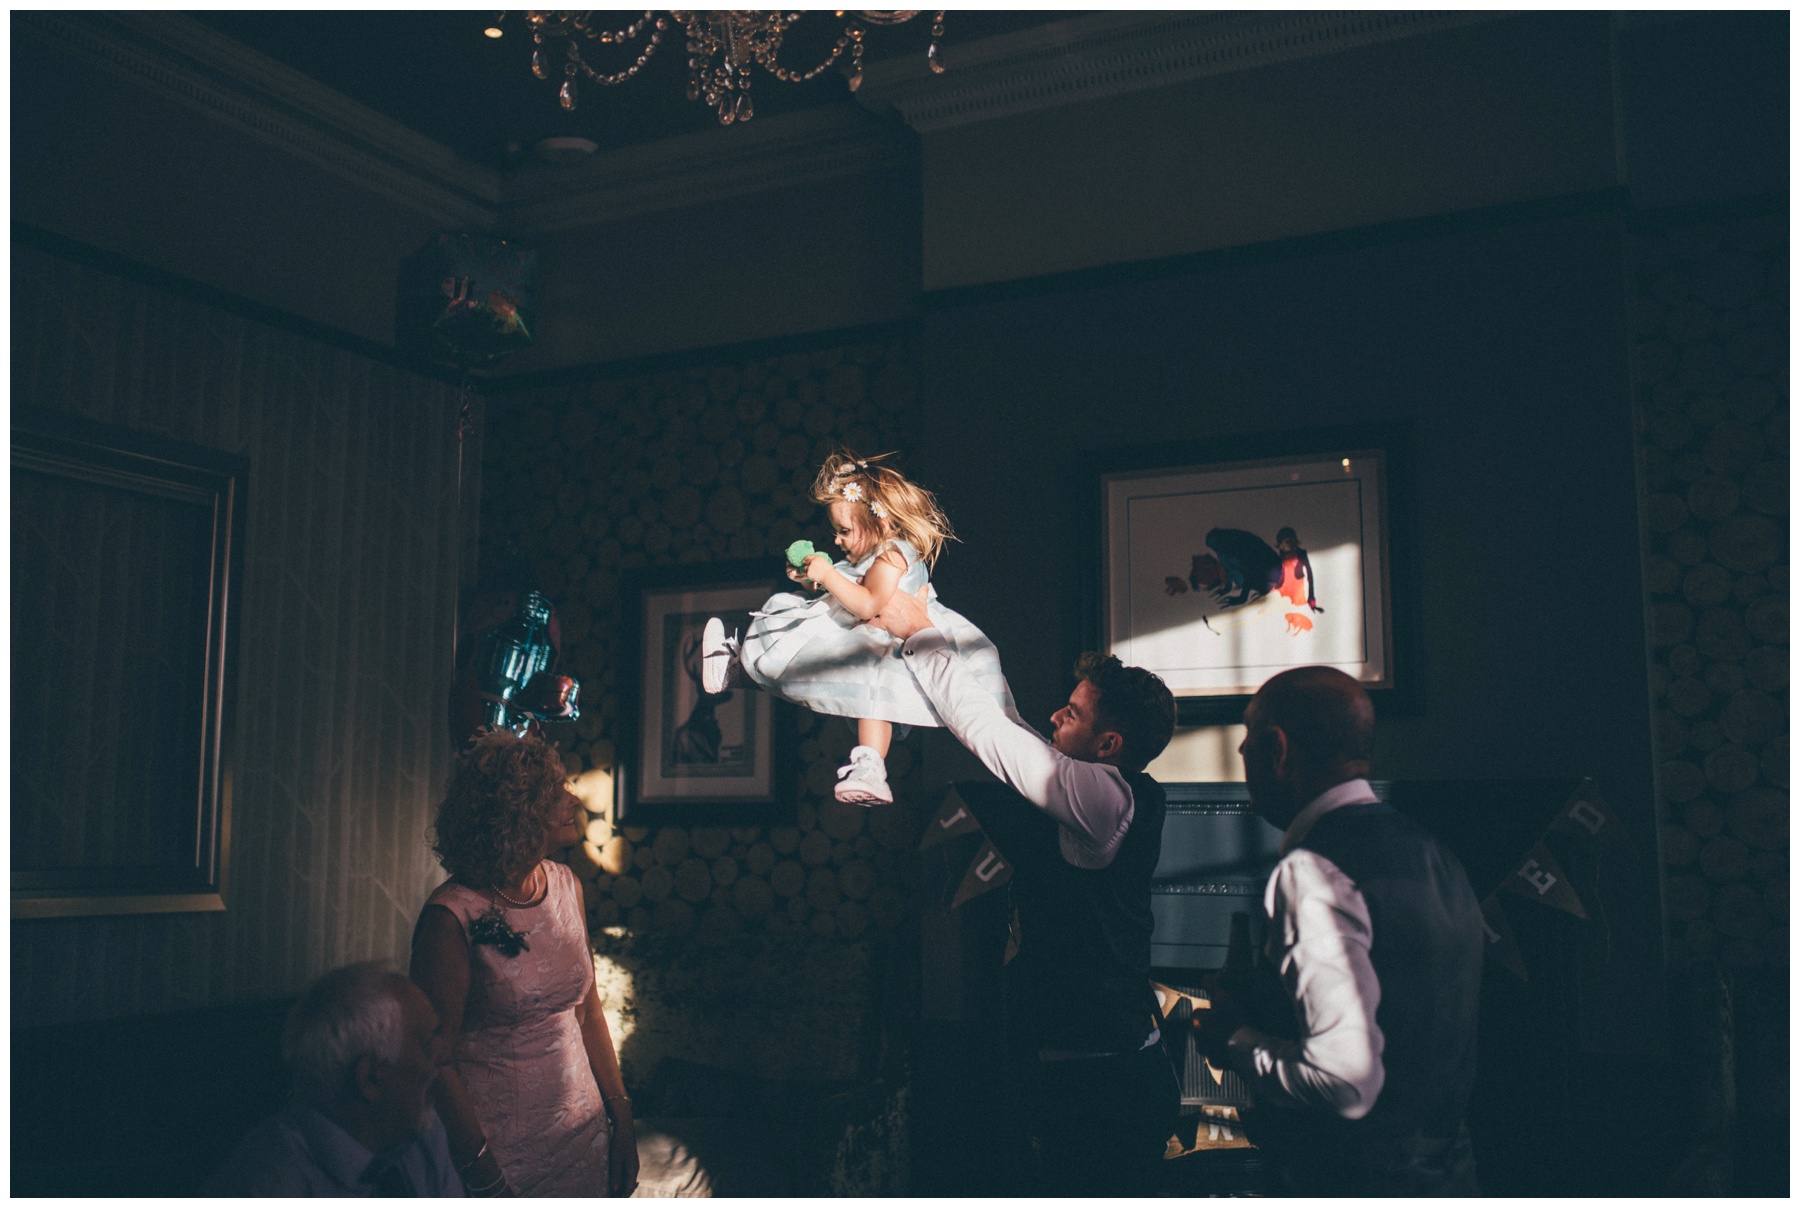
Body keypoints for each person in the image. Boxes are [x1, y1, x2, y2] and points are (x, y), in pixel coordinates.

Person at [870, 586, 1181, 1195]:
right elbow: (1007, 723)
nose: (1056, 716)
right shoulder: (1089, 790)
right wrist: (939, 623)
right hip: (1082, 1076)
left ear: (1109, 745)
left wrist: (918, 636)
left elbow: (991, 734)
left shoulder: (1105, 795)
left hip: (1108, 1090)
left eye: (1074, 711)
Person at [1193, 665, 1483, 1195]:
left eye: (1248, 740)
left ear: (1278, 749)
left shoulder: (1311, 871)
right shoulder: (1432, 851)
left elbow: (1346, 1084)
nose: (1240, 755)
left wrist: (1233, 1038)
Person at [701, 449, 1013, 805]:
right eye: (835, 532)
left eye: (844, 531)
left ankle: (870, 767)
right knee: (806, 664)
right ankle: (737, 669)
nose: (837, 540)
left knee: (873, 696)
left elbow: (869, 603)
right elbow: (847, 593)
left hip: (890, 643)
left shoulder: (894, 554)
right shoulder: (867, 555)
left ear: (878, 524)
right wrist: (809, 579)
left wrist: (829, 573)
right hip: (865, 638)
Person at [411, 729, 638, 1197]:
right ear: (517, 812)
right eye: (555, 791)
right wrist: (483, 1171)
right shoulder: (451, 917)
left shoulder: (566, 885)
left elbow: (588, 1010)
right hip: (502, 1155)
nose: (572, 798)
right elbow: (437, 1059)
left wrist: (622, 1115)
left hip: (584, 1140)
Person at [202, 962, 463, 1196]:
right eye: (427, 1044)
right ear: (370, 1078)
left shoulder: (419, 1131)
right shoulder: (269, 1184)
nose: (442, 1057)